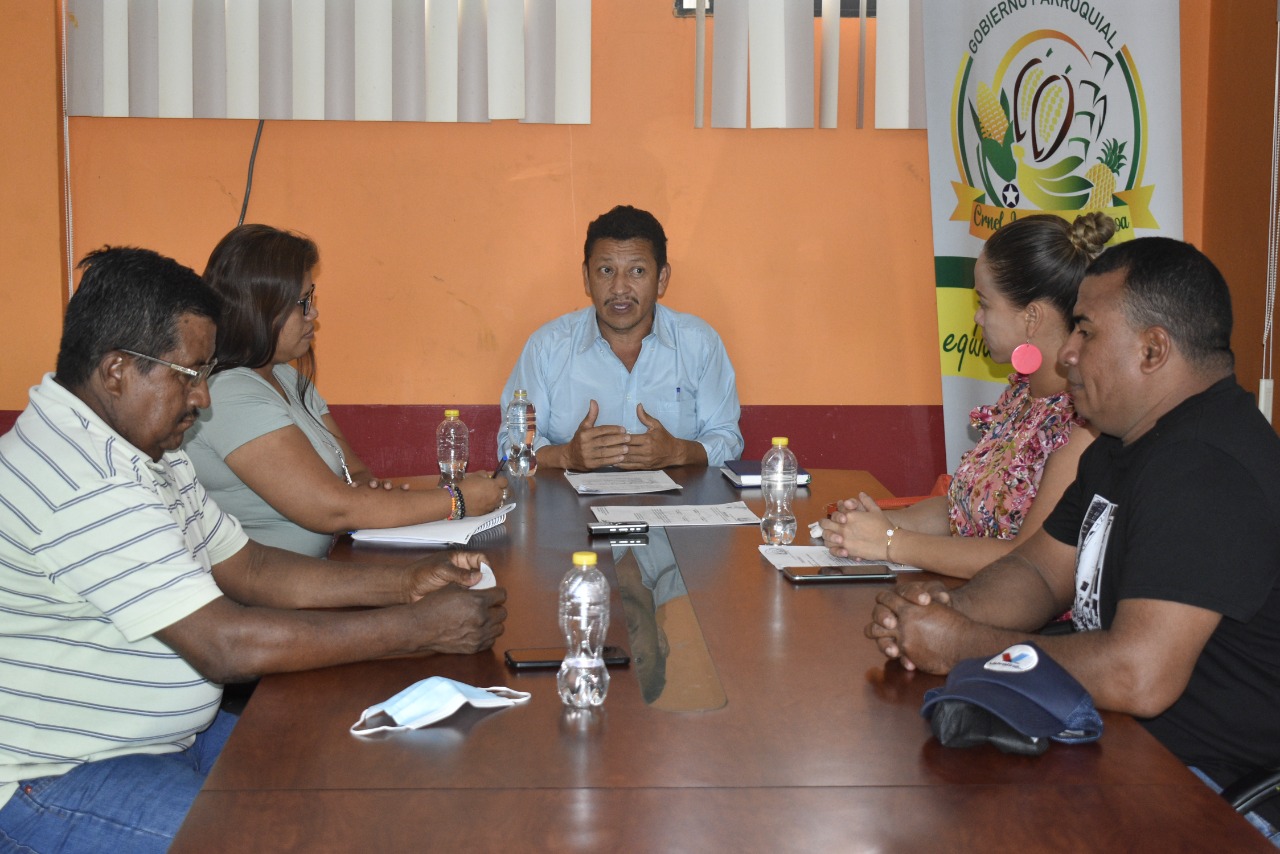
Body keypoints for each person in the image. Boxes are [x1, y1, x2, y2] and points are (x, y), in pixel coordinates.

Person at [0, 247, 508, 852]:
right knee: (284, 839)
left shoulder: (141, 448)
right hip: (55, 776)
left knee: (354, 788)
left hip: (163, 742)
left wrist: (406, 584)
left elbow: (251, 566)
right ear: (116, 371)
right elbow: (225, 646)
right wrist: (417, 629)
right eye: (189, 374)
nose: (203, 398)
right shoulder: (82, 477)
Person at [865, 237, 1280, 844]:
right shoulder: (1119, 445)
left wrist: (959, 645)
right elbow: (1038, 572)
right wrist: (944, 611)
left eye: (1085, 330)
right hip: (1112, 744)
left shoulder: (1206, 467)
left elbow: (1140, 675)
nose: (1068, 353)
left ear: (1153, 349)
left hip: (1203, 792)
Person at [820, 213, 1114, 578]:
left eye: (985, 303)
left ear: (1032, 318)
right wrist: (872, 524)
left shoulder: (1080, 426)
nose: (978, 318)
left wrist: (892, 541)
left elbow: (1028, 562)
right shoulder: (1022, 395)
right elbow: (963, 508)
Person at [185, 224, 506, 558]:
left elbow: (356, 472)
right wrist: (457, 500)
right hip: (269, 582)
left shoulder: (288, 378)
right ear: (259, 307)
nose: (314, 313)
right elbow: (330, 508)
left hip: (326, 563)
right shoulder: (230, 394)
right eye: (303, 301)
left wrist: (380, 495)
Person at [498, 204, 743, 470]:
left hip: (677, 497)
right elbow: (511, 446)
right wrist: (566, 456)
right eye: (606, 270)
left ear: (662, 278)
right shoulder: (546, 348)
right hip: (568, 498)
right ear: (586, 277)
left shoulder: (699, 344)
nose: (619, 288)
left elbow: (728, 440)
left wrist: (678, 452)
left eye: (637, 271)